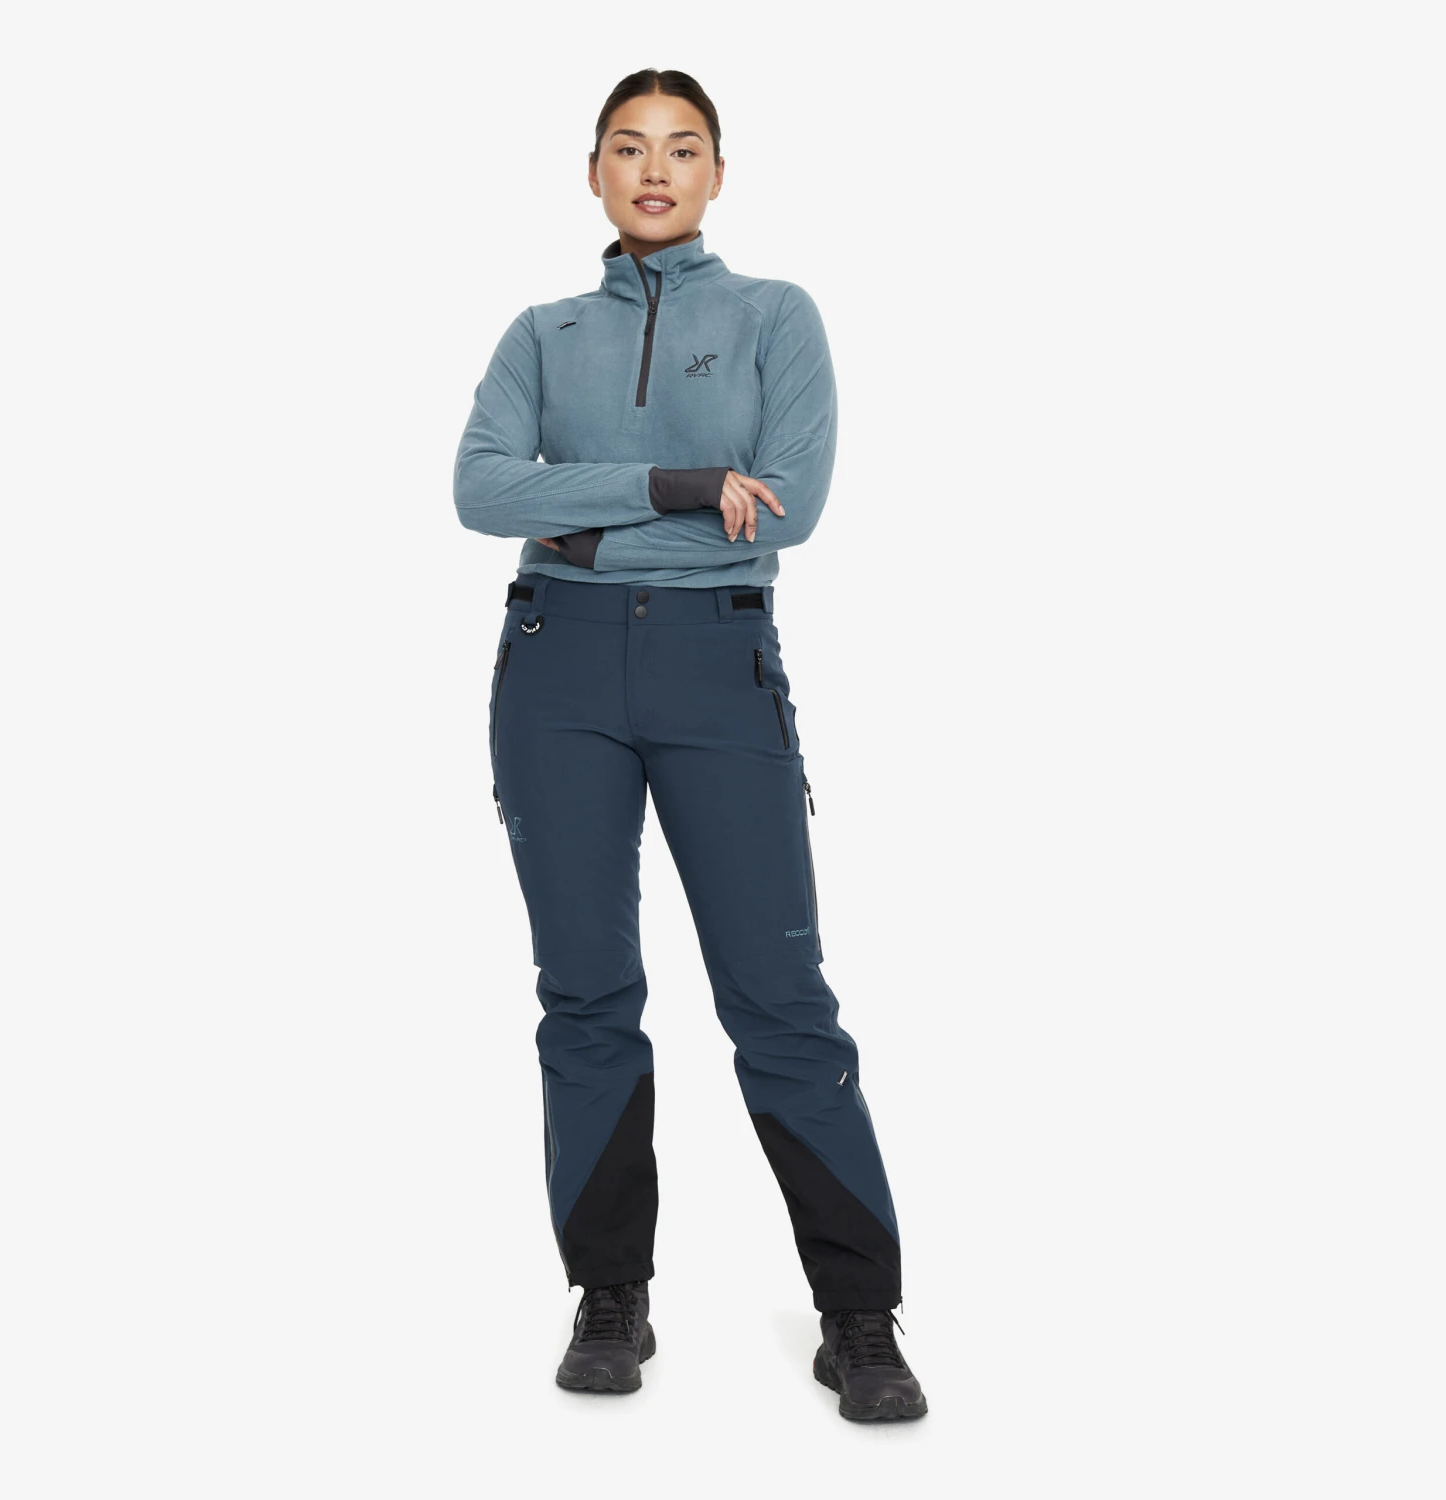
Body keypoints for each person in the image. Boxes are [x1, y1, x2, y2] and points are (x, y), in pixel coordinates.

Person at [453, 67, 926, 1422]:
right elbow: (480, 490)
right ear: (592, 172)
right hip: (555, 670)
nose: (654, 170)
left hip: (721, 670)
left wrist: (577, 520)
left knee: (780, 1000)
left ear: (719, 173)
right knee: (585, 992)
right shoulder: (539, 334)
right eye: (628, 147)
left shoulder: (777, 316)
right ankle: (611, 1293)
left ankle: (860, 1315)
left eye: (682, 148)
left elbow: (788, 511)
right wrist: (678, 488)